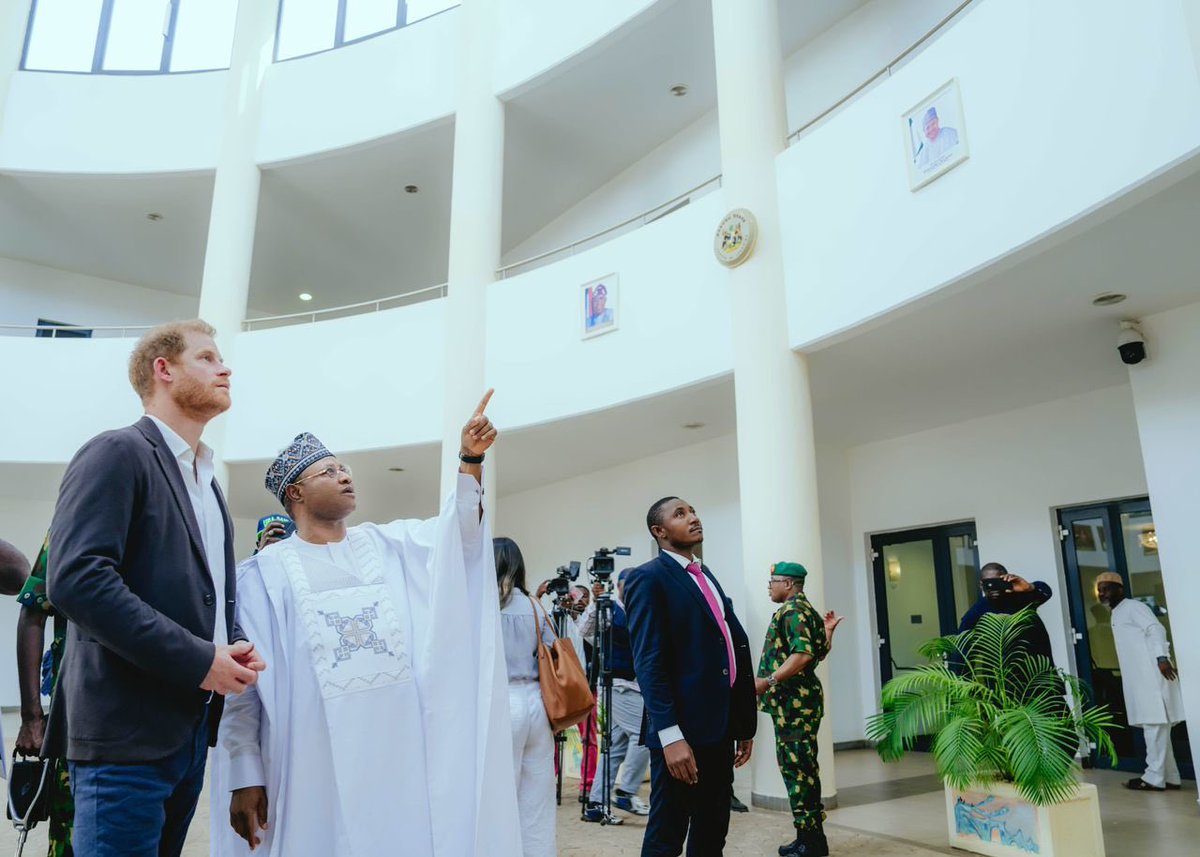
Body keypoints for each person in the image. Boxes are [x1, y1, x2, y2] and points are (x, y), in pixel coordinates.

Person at [213, 390, 522, 857]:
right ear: (295, 492)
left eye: (345, 469)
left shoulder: (388, 545)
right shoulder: (262, 575)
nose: (345, 476)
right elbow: (246, 684)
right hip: (307, 760)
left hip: (398, 754)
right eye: (329, 471)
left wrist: (469, 460)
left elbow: (459, 535)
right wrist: (244, 772)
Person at [46, 319, 264, 857]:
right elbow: (76, 578)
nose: (225, 368)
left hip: (187, 734)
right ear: (163, 370)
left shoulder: (208, 485)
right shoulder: (117, 452)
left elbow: (207, 596)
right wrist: (199, 659)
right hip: (124, 736)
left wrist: (230, 645)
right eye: (208, 358)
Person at [625, 497, 756, 857]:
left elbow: (729, 646)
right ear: (660, 531)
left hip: (720, 727)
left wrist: (742, 723)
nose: (694, 518)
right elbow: (649, 663)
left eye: (693, 511)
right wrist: (670, 737)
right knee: (667, 833)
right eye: (680, 514)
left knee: (713, 829)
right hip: (680, 732)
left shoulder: (704, 573)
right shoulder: (647, 578)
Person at [755, 563, 843, 857]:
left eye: (773, 581)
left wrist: (767, 682)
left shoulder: (792, 611)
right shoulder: (805, 609)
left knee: (799, 771)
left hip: (795, 704)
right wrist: (828, 632)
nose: (769, 586)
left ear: (789, 584)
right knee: (803, 769)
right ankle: (808, 836)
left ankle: (812, 843)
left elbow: (803, 655)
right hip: (798, 703)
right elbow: (818, 651)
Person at [495, 536, 557, 857]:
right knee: (537, 797)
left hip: (500, 702)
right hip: (537, 704)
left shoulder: (483, 606)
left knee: (498, 794)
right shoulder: (536, 606)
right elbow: (556, 652)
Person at [1096, 572, 1185, 791]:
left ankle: (1153, 777)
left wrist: (1162, 657)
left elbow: (1156, 629)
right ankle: (1171, 776)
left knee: (1154, 726)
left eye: (1106, 588)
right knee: (1157, 728)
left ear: (1120, 589)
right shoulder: (1117, 612)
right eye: (1100, 589)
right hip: (1142, 679)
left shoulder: (1134, 607)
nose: (1102, 593)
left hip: (1153, 676)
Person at [15, 533, 74, 857]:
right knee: (71, 838)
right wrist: (31, 718)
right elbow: (32, 611)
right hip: (78, 720)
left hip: (157, 726)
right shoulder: (75, 519)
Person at [580, 569, 652, 821]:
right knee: (644, 738)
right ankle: (627, 791)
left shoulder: (640, 610)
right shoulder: (611, 609)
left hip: (634, 685)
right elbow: (585, 631)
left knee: (616, 746)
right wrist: (596, 604)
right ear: (620, 586)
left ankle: (596, 802)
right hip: (620, 685)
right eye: (628, 585)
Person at [957, 562, 1055, 664]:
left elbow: (1046, 591)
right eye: (989, 583)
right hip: (1001, 673)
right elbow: (961, 647)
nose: (994, 588)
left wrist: (1029, 587)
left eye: (997, 582)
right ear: (981, 585)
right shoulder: (977, 611)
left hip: (1037, 667)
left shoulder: (1021, 598)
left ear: (1006, 580)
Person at [915, 106, 959, 171]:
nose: (931, 129)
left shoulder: (950, 133)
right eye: (927, 128)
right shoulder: (924, 152)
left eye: (933, 123)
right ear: (924, 132)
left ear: (938, 121)